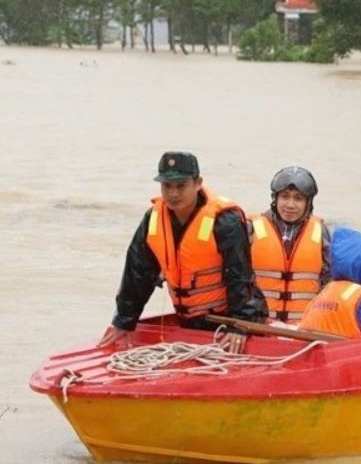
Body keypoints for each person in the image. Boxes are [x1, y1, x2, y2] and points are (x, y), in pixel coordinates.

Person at [99, 151, 266, 353]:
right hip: (189, 321)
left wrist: (240, 325)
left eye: (181, 186)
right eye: (167, 186)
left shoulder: (225, 219)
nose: (173, 194)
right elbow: (137, 273)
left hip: (228, 318)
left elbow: (240, 275)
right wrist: (124, 321)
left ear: (197, 183)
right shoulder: (153, 218)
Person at [250, 166, 331, 324]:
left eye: (298, 199)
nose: (290, 205)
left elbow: (330, 282)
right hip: (261, 325)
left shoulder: (321, 231)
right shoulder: (251, 227)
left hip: (303, 326)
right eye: (285, 197)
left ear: (308, 203)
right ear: (275, 198)